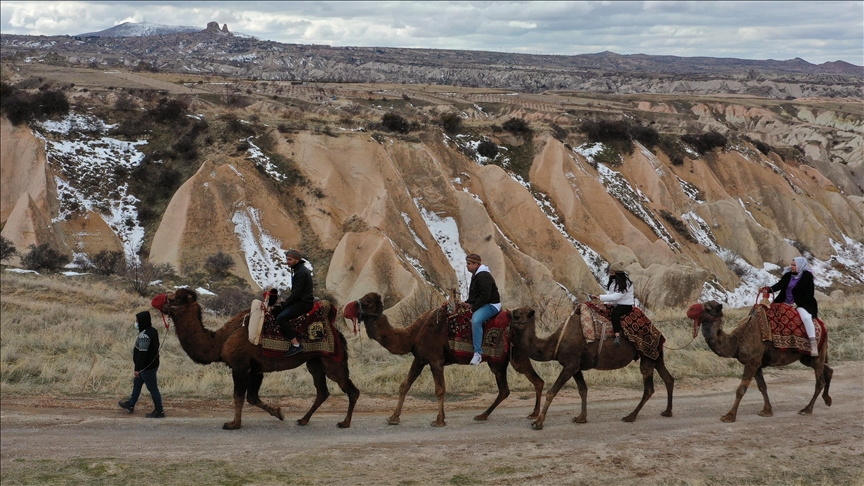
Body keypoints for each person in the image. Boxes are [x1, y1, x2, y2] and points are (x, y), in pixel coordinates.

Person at [762, 256, 819, 357]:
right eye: (791, 265)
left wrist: (797, 303)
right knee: (770, 313)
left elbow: (809, 295)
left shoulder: (807, 277)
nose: (791, 267)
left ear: (800, 266)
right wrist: (768, 289)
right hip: (784, 301)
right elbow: (779, 285)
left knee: (806, 317)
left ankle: (813, 342)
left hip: (801, 303)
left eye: (794, 265)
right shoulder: (788, 275)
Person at [118, 311, 165, 418]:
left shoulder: (144, 335)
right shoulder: (153, 331)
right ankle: (130, 404)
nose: (136, 323)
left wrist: (137, 369)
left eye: (137, 321)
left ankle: (159, 411)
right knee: (137, 384)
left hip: (146, 367)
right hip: (150, 365)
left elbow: (142, 354)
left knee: (153, 389)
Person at [275, 248, 313, 357]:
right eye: (287, 259)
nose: (287, 261)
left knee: (280, 318)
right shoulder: (298, 269)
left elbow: (296, 293)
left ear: (297, 259)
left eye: (290, 259)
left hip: (304, 303)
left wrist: (285, 304)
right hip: (301, 301)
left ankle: (296, 345)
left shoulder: (300, 272)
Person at [465, 253, 501, 365]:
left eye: (469, 264)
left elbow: (485, 296)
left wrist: (473, 308)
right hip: (485, 303)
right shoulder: (477, 274)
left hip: (492, 305)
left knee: (476, 320)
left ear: (476, 264)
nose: (467, 266)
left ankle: (478, 353)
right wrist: (468, 303)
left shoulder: (482, 276)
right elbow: (476, 294)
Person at [590, 262, 634, 346]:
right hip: (615, 303)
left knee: (615, 312)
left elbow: (616, 296)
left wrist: (599, 297)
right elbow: (610, 295)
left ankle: (617, 335)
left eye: (612, 273)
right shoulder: (614, 282)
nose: (611, 274)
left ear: (617, 273)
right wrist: (605, 304)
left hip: (625, 305)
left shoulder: (626, 283)